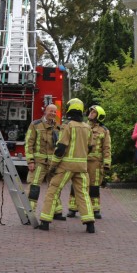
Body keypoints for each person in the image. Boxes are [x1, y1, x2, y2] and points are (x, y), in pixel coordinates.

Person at [38, 98, 96, 234]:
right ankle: (90, 223)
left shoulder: (67, 125)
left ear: (69, 109)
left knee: (53, 191)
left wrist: (53, 165)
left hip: (66, 167)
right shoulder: (88, 127)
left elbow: (60, 148)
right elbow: (91, 147)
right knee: (83, 195)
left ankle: (45, 222)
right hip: (82, 167)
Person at [68, 105, 110, 219]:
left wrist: (106, 163)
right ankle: (72, 208)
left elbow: (107, 148)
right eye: (90, 111)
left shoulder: (104, 131)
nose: (91, 113)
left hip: (95, 163)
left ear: (99, 116)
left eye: (94, 112)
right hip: (81, 160)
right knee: (76, 183)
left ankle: (95, 209)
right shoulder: (83, 126)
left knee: (94, 185)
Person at [25, 103, 64, 216]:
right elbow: (29, 143)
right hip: (39, 164)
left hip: (53, 165)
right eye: (50, 111)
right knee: (34, 188)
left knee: (54, 188)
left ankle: (57, 212)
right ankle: (29, 213)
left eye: (54, 112)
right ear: (45, 111)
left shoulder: (58, 127)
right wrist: (30, 161)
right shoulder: (35, 125)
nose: (52, 113)